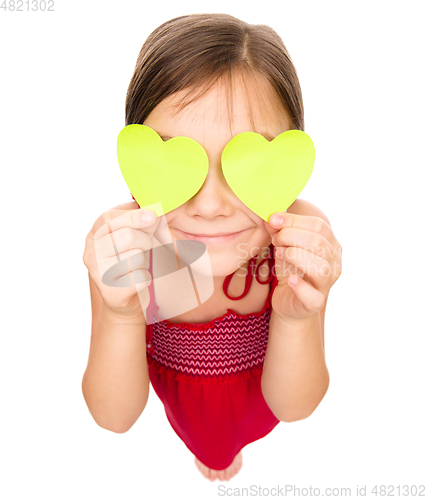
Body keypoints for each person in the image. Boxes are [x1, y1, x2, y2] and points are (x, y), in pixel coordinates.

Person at [82, 13, 342, 482]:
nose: (208, 206)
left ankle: (228, 451)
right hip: (182, 405)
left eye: (244, 164)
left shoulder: (298, 237)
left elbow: (295, 405)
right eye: (179, 161)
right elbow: (113, 416)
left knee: (233, 442)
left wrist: (295, 318)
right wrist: (119, 313)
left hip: (261, 400)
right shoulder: (131, 246)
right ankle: (209, 451)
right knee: (205, 443)